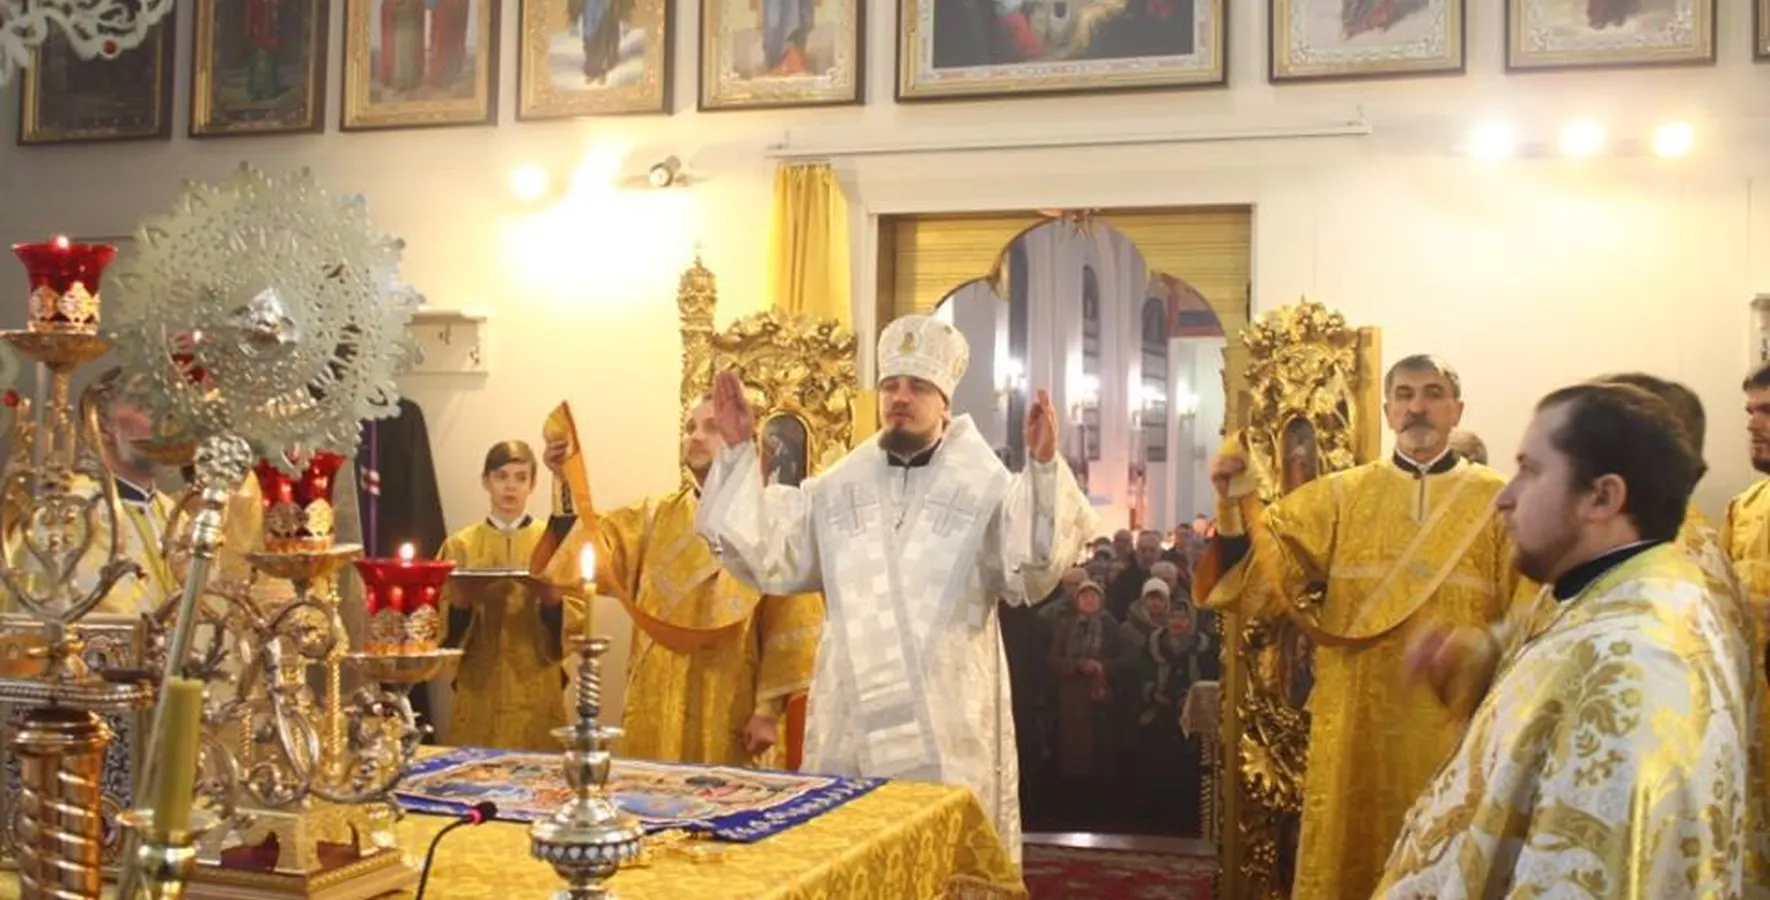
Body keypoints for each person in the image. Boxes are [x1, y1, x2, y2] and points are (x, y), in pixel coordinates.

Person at [695, 313, 1097, 860]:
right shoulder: (837, 487)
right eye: (890, 386)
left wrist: (1044, 468)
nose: (900, 398)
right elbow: (766, 551)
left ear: (944, 403)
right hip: (851, 719)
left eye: (918, 387)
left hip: (945, 725)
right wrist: (738, 450)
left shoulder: (987, 490)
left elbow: (1033, 565)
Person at [1376, 382, 1768, 895]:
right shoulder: (1616, 585)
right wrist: (1473, 659)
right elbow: (1544, 654)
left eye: (1531, 470)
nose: (1503, 497)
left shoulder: (1633, 669)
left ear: (1603, 496)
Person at [1190, 354, 1527, 900]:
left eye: (1433, 393)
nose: (1418, 407)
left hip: (1453, 718)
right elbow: (1260, 577)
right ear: (1389, 410)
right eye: (1405, 395)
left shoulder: (1501, 501)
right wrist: (1234, 509)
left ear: (1456, 410)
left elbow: (1531, 614)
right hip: (1355, 721)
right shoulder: (1340, 496)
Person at [535, 396, 822, 768]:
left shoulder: (771, 520)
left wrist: (767, 711)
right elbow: (589, 549)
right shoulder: (653, 517)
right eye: (689, 428)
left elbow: (791, 620)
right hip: (656, 700)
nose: (695, 436)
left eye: (711, 427)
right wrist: (566, 481)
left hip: (730, 702)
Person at [440, 441, 573, 751]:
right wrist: (461, 605)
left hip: (536, 678)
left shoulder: (551, 543)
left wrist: (552, 602)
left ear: (533, 484)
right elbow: (437, 624)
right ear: (486, 481)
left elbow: (577, 615)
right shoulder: (460, 545)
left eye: (520, 477)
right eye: (501, 476)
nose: (510, 487)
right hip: (480, 682)